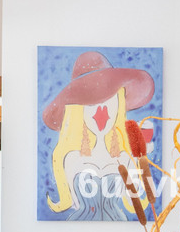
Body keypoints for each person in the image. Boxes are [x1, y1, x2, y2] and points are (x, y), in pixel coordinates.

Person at [41, 51, 155, 220]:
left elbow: (137, 201)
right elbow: (74, 203)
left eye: (109, 100)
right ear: (78, 111)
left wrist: (142, 158)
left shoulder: (126, 158)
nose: (102, 111)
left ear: (119, 104)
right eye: (90, 104)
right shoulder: (71, 159)